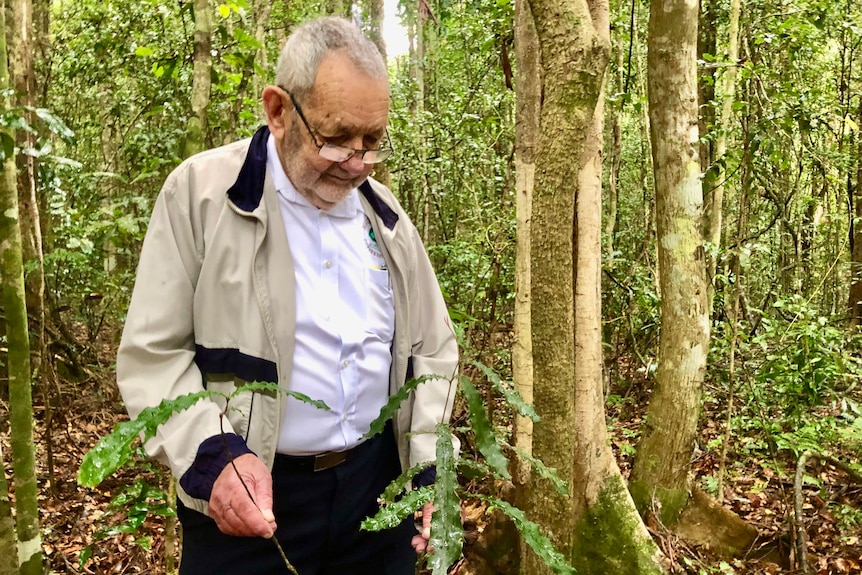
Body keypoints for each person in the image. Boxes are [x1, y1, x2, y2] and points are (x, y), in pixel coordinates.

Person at [116, 16, 459, 575]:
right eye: (337, 137)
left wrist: (427, 469)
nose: (358, 162)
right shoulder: (203, 197)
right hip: (253, 499)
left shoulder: (387, 218)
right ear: (278, 111)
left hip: (377, 494)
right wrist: (213, 457)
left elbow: (433, 351)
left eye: (372, 141)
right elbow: (152, 357)